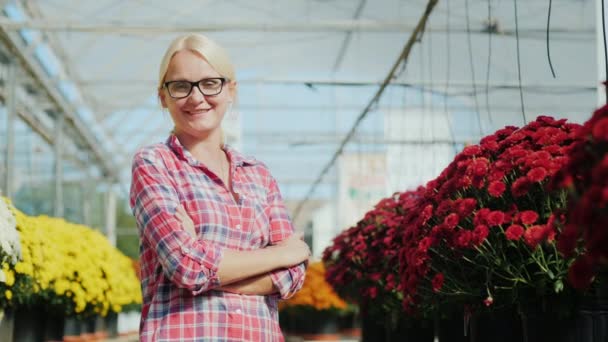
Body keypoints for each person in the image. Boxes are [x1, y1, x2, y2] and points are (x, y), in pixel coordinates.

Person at [129, 33, 310, 341]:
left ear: (231, 90)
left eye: (210, 83)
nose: (197, 97)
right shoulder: (154, 164)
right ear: (163, 96)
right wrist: (284, 253)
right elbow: (186, 265)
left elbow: (294, 276)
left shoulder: (258, 175)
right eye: (181, 86)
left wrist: (207, 262)